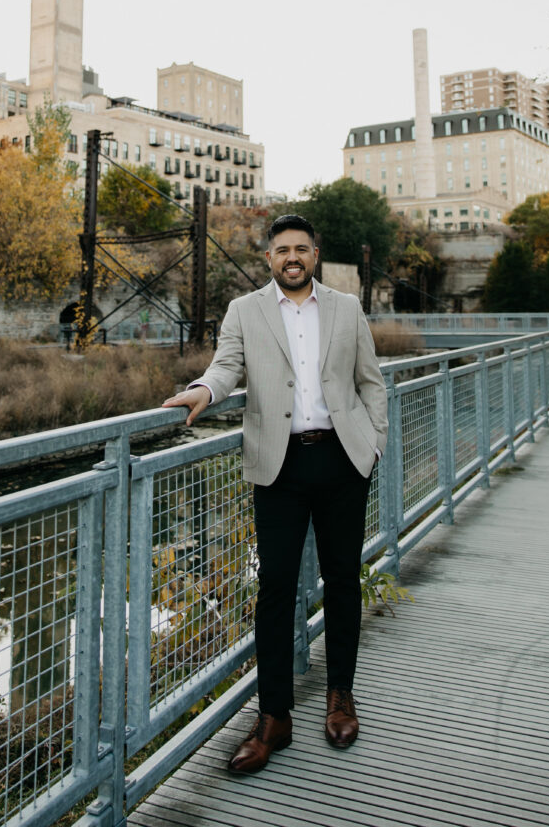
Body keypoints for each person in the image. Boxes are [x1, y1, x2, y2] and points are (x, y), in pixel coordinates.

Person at [163, 213, 388, 773]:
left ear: (315, 254)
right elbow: (227, 366)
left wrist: (373, 445)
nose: (292, 257)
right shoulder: (245, 311)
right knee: (276, 590)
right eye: (282, 249)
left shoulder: (346, 308)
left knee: (341, 581)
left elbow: (370, 382)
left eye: (302, 249)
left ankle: (340, 694)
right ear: (269, 258)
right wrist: (201, 391)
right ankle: (274, 718)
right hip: (278, 467)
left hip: (342, 459)